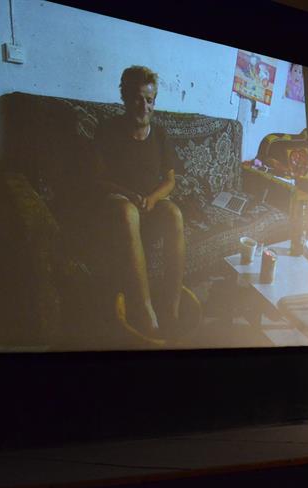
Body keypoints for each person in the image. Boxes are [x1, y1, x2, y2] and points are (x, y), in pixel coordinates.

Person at [94, 65, 185, 337]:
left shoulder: (160, 135)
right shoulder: (107, 131)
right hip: (118, 201)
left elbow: (170, 180)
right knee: (127, 212)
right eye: (137, 98)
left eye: (149, 100)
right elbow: (97, 180)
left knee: (175, 214)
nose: (143, 106)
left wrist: (154, 198)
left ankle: (173, 304)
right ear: (124, 98)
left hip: (149, 203)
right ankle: (145, 310)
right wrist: (130, 196)